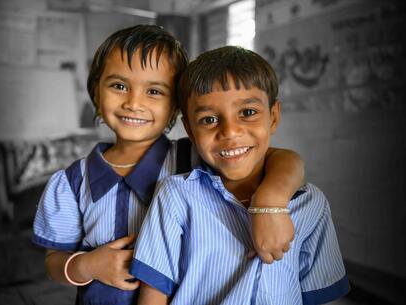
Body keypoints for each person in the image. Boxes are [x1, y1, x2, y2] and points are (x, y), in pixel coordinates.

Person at [33, 25, 304, 305]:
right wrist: (86, 266)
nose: (134, 103)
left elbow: (283, 159)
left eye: (154, 91)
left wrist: (270, 200)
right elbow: (53, 261)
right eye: (119, 86)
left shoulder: (193, 158)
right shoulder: (72, 182)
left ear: (176, 106)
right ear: (96, 90)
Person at [131, 46, 350, 305]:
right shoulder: (176, 195)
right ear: (190, 130)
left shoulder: (311, 204)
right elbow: (153, 295)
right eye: (209, 119)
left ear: (274, 116)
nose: (230, 132)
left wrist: (270, 205)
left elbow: (320, 296)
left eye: (247, 113)